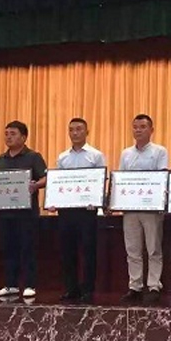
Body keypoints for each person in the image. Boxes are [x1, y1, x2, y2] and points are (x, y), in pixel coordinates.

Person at [0, 121, 47, 299]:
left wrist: (35, 185)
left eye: (13, 133)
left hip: (26, 213)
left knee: (27, 247)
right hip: (6, 212)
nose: (8, 137)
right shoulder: (2, 158)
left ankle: (30, 284)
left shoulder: (33, 157)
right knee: (8, 248)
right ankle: (11, 284)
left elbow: (46, 178)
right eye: (6, 133)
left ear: (23, 137)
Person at [53, 118, 106, 304]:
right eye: (71, 130)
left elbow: (100, 181)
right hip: (66, 211)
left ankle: (88, 289)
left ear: (87, 132)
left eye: (79, 129)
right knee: (68, 251)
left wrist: (97, 201)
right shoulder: (63, 157)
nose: (75, 133)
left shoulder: (96, 155)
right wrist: (54, 200)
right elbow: (58, 183)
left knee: (88, 250)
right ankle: (71, 288)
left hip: (86, 211)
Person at [119, 114, 169, 305]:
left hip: (151, 208)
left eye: (142, 127)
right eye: (135, 127)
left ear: (151, 130)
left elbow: (163, 177)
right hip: (130, 208)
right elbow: (121, 180)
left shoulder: (159, 151)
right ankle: (135, 286)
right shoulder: (126, 153)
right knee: (132, 250)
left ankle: (154, 285)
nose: (138, 130)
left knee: (153, 248)